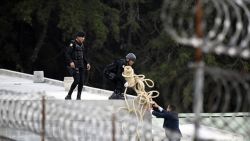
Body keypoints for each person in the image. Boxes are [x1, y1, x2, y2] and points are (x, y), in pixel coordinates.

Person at [64, 31, 91, 100]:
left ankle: (78, 97)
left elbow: (83, 56)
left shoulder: (82, 45)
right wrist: (70, 62)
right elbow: (67, 54)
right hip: (74, 65)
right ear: (78, 37)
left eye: (84, 37)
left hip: (81, 65)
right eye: (82, 37)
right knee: (76, 80)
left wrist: (87, 63)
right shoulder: (72, 44)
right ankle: (69, 95)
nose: (83, 38)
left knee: (81, 81)